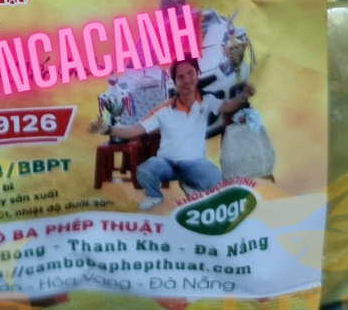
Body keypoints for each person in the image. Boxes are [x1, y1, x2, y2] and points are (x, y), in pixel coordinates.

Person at [102, 58, 255, 211]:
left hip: (194, 162)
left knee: (215, 178)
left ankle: (189, 183)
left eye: (190, 73)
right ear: (175, 82)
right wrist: (108, 129)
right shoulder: (164, 109)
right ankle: (154, 195)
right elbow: (135, 129)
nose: (187, 80)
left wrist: (243, 96)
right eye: (181, 77)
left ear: (197, 73)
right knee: (144, 171)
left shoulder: (207, 100)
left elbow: (228, 106)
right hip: (167, 163)